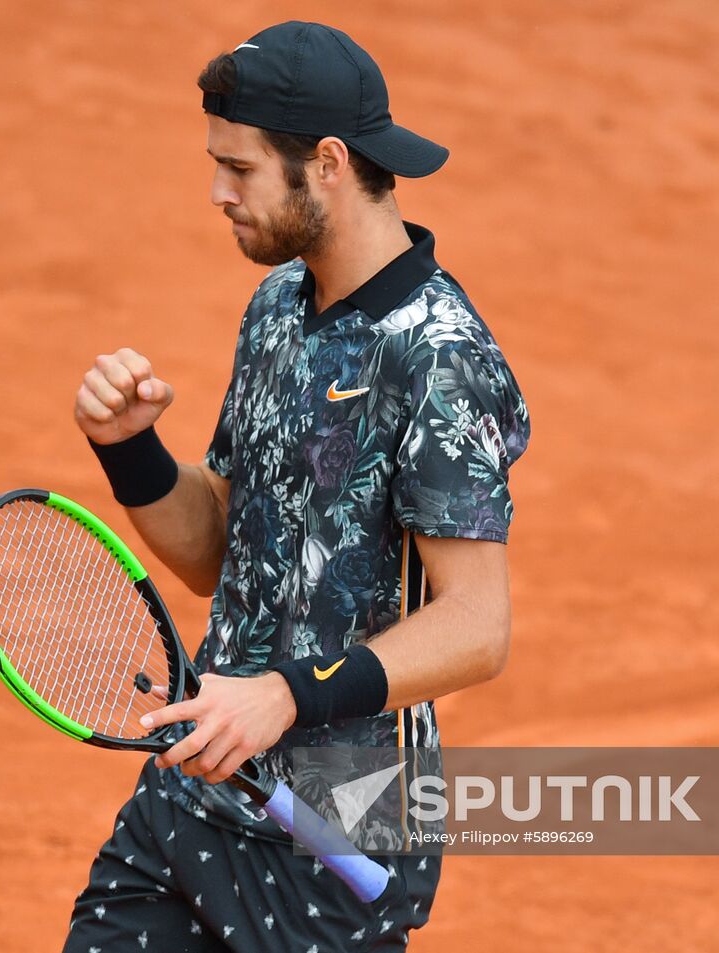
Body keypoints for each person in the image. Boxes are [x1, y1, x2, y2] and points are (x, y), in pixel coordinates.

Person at [64, 20, 529, 952]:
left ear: (325, 163)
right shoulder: (280, 302)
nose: (216, 191)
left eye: (239, 169)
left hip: (335, 837)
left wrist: (285, 692)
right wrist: (132, 453)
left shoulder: (439, 358)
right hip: (197, 793)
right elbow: (218, 551)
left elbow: (480, 626)